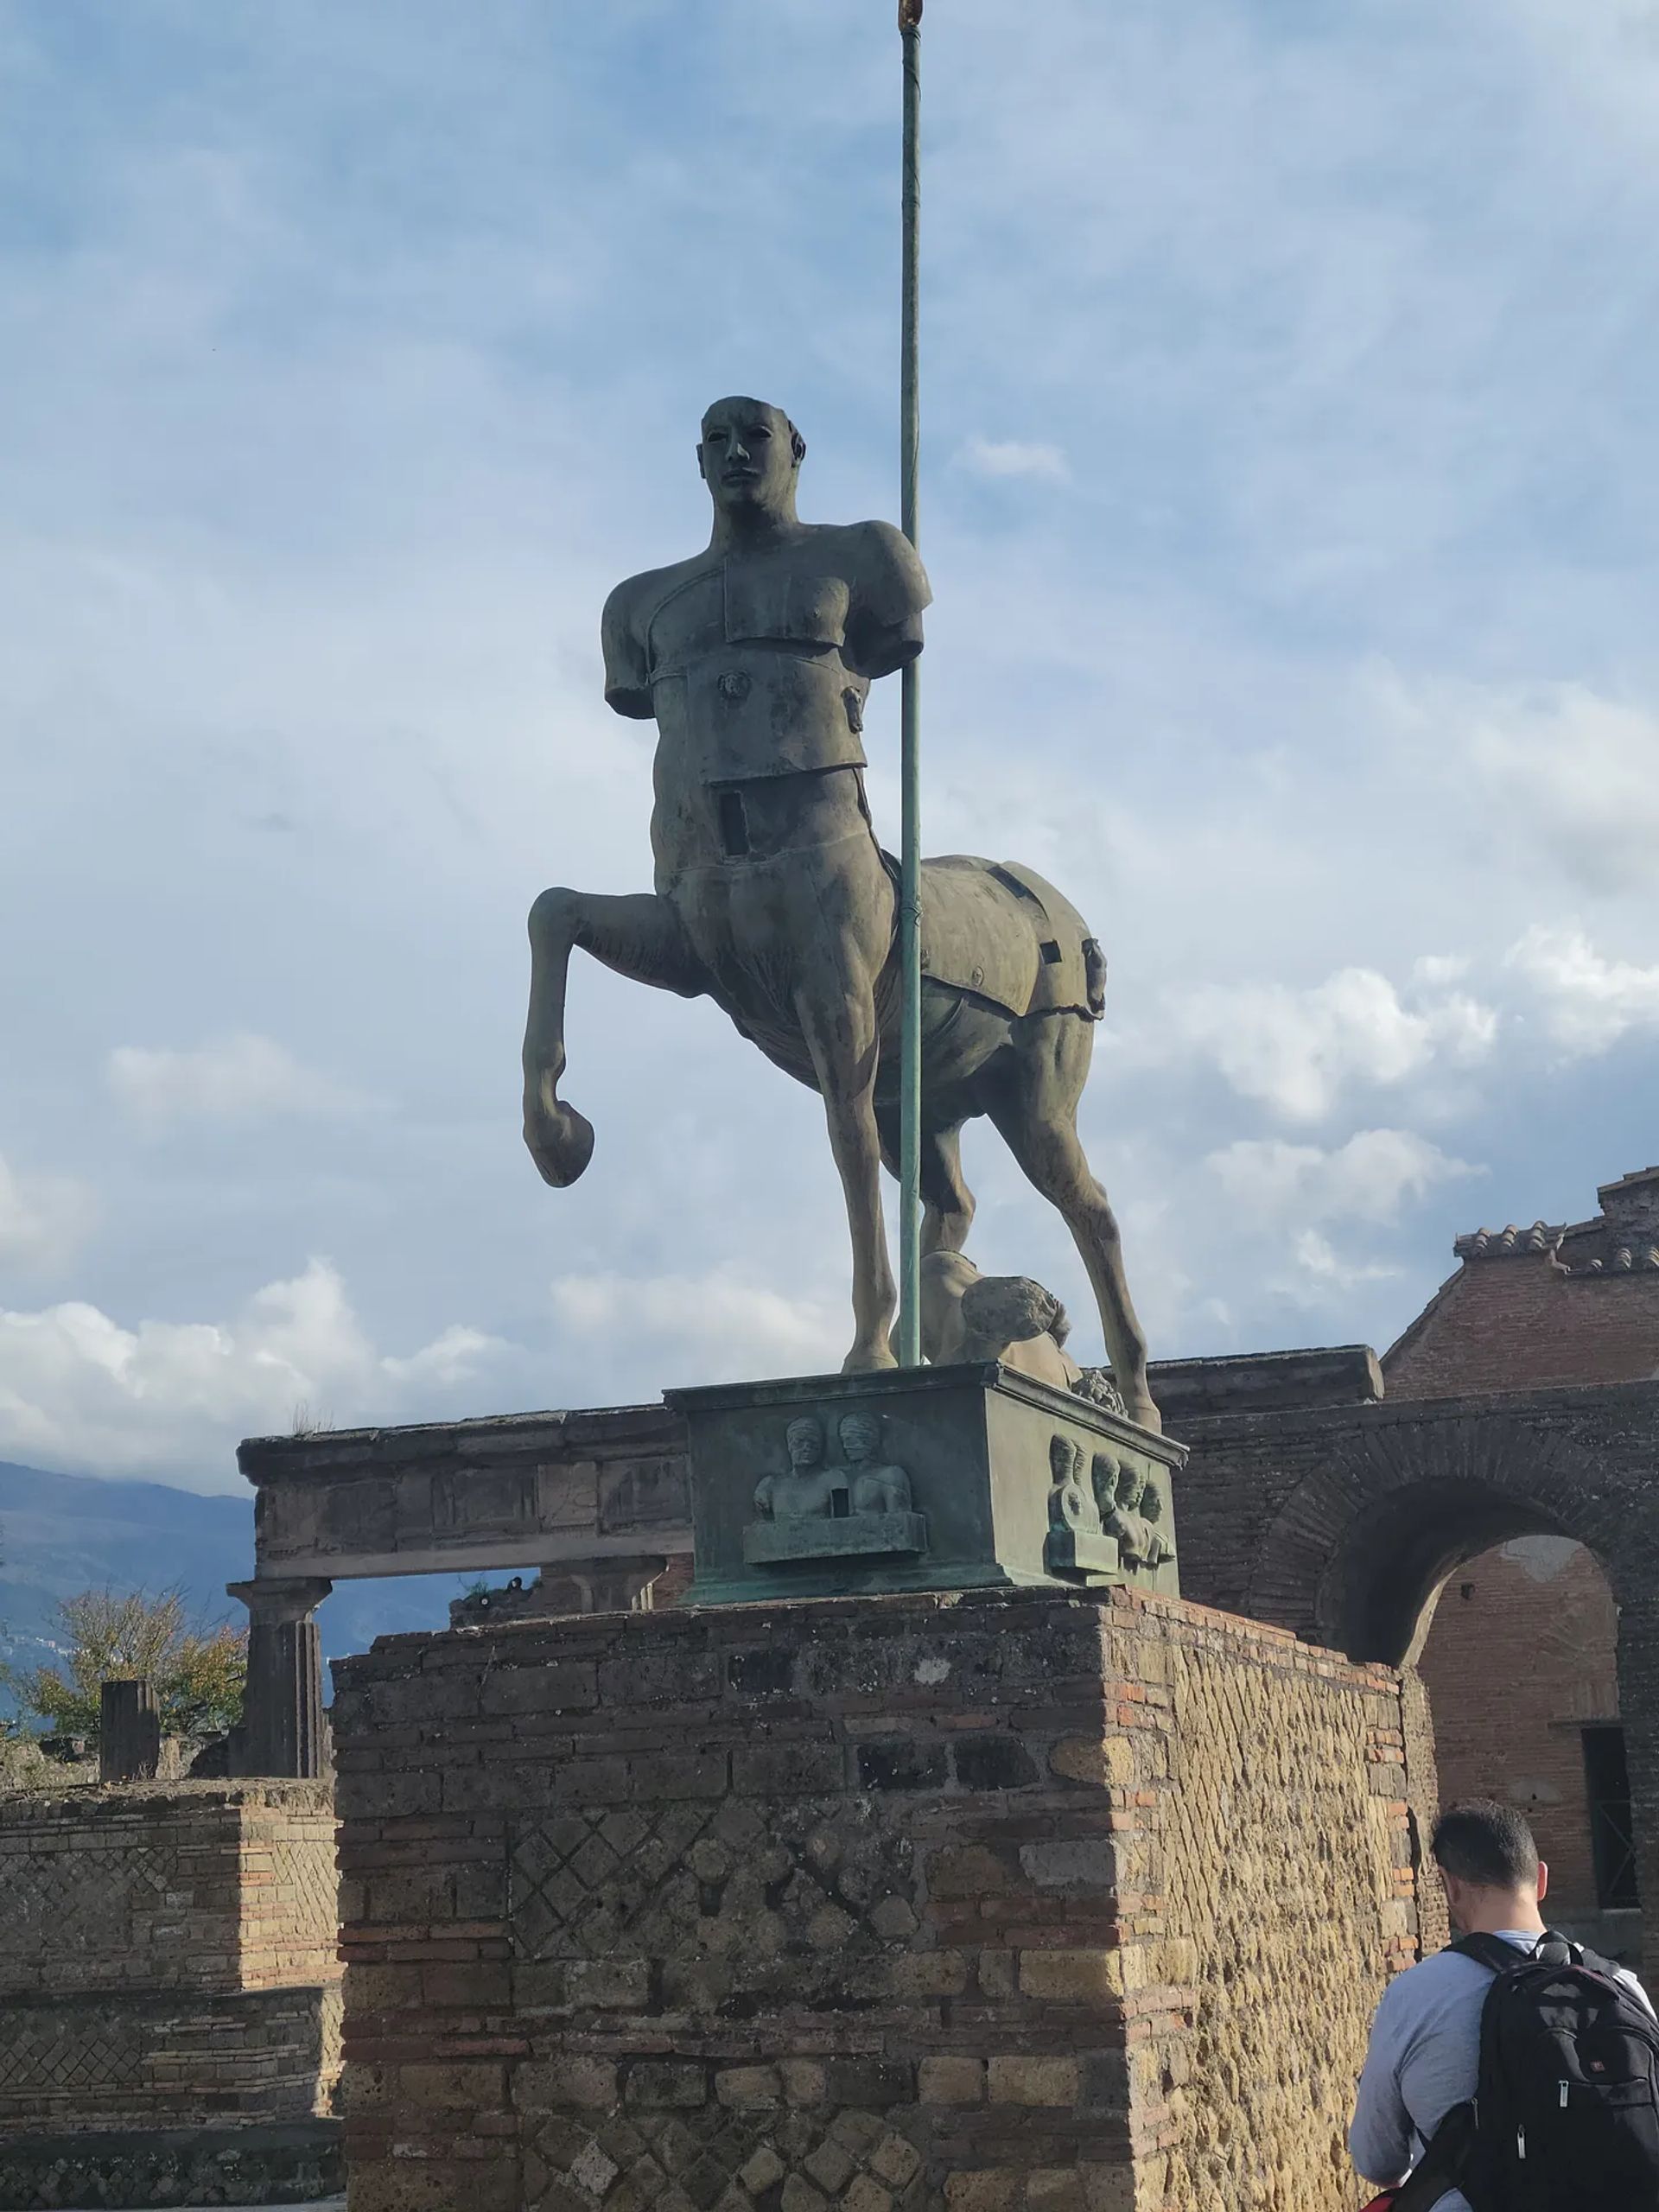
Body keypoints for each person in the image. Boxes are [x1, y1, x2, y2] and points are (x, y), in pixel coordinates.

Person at [1350, 1799, 1654, 2209]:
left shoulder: (1415, 1997)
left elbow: (1377, 2161)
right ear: (1541, 1880)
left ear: (1451, 1887)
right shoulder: (1623, 1989)